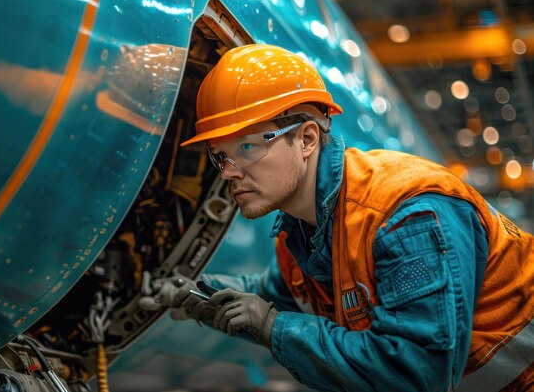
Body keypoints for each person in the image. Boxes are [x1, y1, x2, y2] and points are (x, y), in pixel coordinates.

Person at [139, 44, 534, 391]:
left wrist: (272, 326)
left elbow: (417, 374)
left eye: (246, 146)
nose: (228, 172)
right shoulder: (303, 234)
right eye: (221, 156)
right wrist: (194, 294)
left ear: (307, 138)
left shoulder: (405, 216)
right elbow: (269, 294)